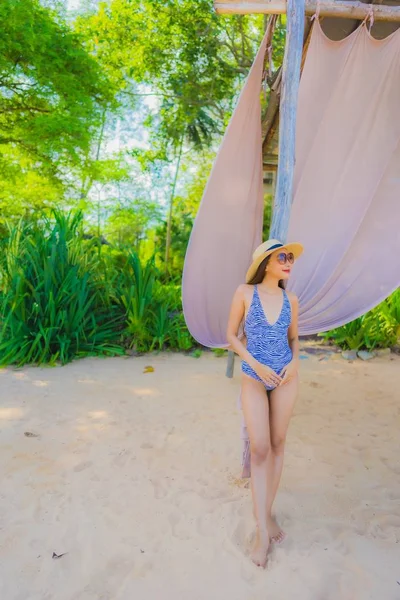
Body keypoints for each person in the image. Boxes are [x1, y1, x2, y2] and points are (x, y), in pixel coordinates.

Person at [226, 238, 303, 568]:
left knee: (277, 443)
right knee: (260, 449)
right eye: (282, 256)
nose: (288, 261)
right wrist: (253, 362)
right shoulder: (245, 292)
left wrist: (297, 360)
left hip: (286, 377)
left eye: (290, 258)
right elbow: (230, 336)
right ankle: (261, 531)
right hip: (254, 377)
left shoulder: (291, 299)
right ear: (266, 263)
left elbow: (294, 337)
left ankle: (267, 515)